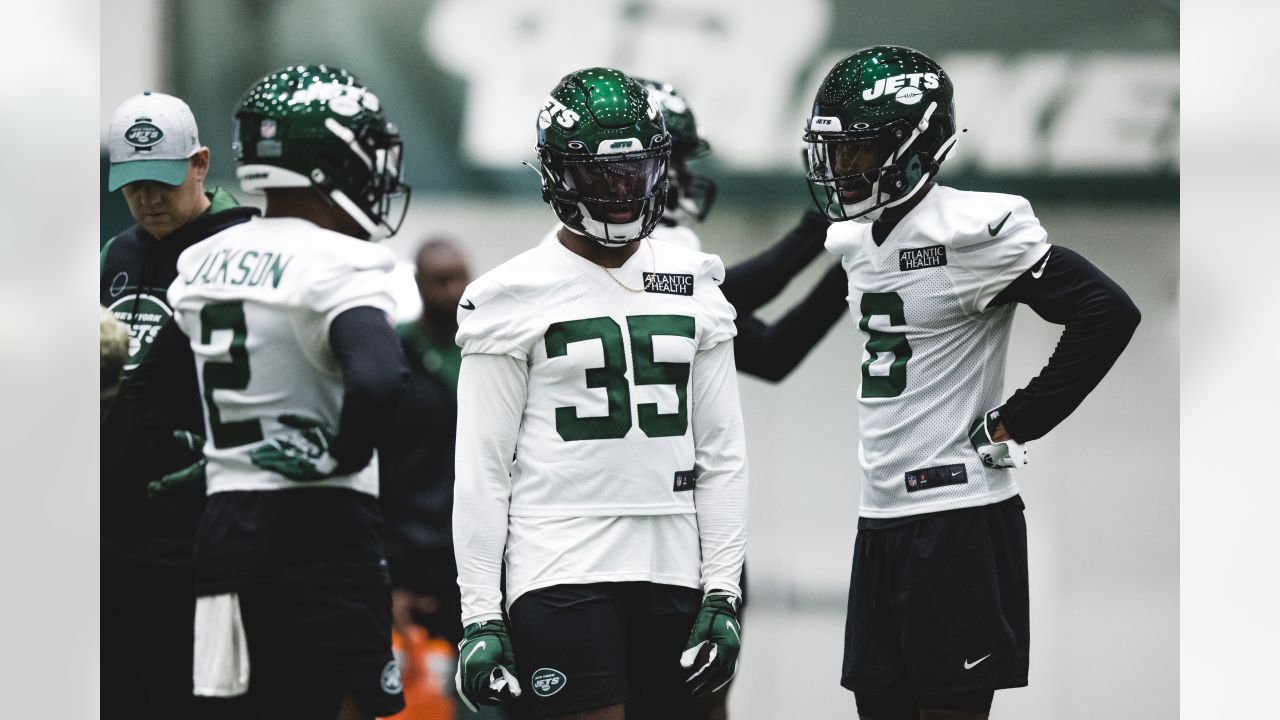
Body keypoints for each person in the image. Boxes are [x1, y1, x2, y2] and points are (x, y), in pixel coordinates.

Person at [802, 46, 1142, 719]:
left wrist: (1017, 420)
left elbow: (1106, 311)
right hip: (881, 519)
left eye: (859, 152)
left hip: (956, 523)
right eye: (834, 153)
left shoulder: (972, 229)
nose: (842, 168)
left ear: (913, 145)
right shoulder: (855, 241)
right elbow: (782, 346)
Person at [452, 67, 748, 720]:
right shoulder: (510, 294)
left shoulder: (693, 279)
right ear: (558, 174)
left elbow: (723, 452)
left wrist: (722, 591)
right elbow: (482, 470)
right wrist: (480, 613)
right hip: (558, 559)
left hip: (674, 559)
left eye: (634, 170)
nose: (619, 190)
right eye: (599, 174)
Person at [127, 64, 412, 720]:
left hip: (225, 534)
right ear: (330, 159)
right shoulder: (340, 260)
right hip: (323, 530)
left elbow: (150, 394)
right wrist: (334, 455)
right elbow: (377, 382)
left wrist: (221, 455)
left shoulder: (204, 260)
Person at [99, 90, 259, 720]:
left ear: (199, 164)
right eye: (133, 184)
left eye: (163, 180)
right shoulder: (118, 254)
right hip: (117, 536)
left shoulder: (244, 250)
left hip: (202, 540)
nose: (149, 200)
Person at [633, 77, 848, 384]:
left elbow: (769, 354)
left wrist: (857, 262)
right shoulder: (594, 253)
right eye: (673, 158)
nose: (685, 175)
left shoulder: (665, 247)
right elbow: (710, 299)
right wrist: (816, 227)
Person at [380, 239, 470, 650]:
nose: (453, 290)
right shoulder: (396, 353)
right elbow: (382, 467)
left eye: (459, 277)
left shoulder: (487, 349)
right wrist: (394, 576)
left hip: (481, 547)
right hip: (418, 550)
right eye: (440, 280)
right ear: (418, 282)